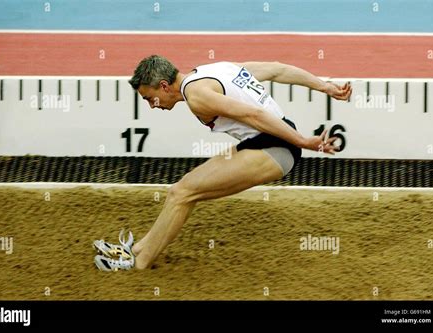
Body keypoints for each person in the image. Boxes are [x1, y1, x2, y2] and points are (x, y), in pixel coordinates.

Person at [94, 55, 352, 271]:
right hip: (264, 143)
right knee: (181, 192)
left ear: (163, 86)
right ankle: (137, 249)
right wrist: (324, 86)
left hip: (276, 147)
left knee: (181, 193)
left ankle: (138, 264)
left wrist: (304, 141)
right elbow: (277, 69)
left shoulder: (196, 96)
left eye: (150, 99)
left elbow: (254, 114)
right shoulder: (214, 69)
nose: (152, 106)